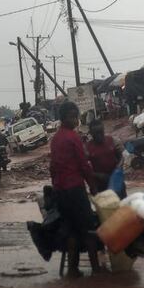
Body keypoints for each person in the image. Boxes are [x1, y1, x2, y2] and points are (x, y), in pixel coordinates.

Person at [49, 101, 101, 278]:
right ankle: (96, 269)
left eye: (75, 116)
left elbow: (52, 167)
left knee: (71, 230)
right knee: (88, 229)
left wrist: (56, 185)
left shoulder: (55, 139)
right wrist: (93, 187)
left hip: (61, 192)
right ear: (64, 118)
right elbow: (84, 165)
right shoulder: (73, 138)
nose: (75, 120)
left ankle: (72, 269)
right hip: (75, 190)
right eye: (72, 117)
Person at [86, 119, 124, 195]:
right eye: (96, 133)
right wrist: (97, 175)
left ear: (103, 130)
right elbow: (85, 168)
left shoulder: (112, 140)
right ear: (91, 133)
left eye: (101, 132)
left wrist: (118, 167)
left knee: (122, 203)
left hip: (116, 179)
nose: (99, 135)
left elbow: (121, 157)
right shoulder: (87, 147)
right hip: (100, 183)